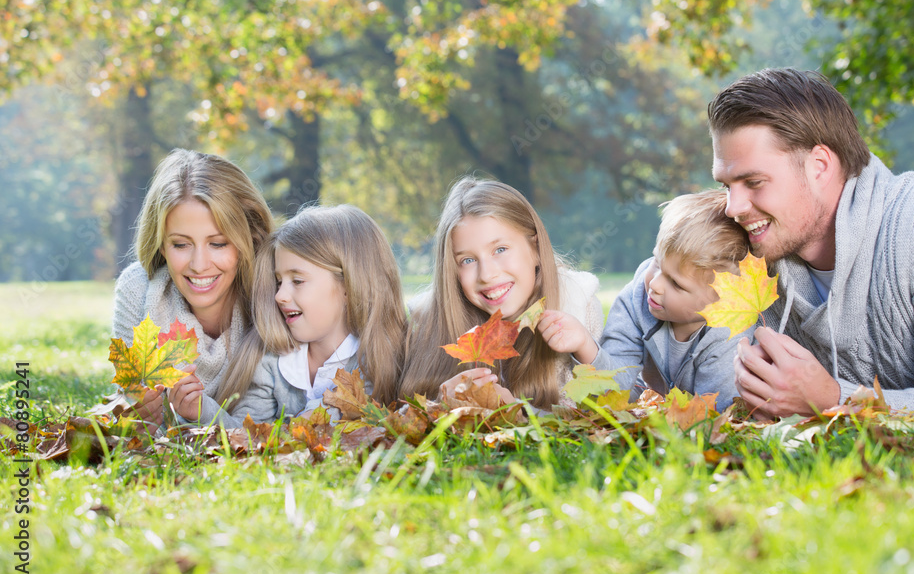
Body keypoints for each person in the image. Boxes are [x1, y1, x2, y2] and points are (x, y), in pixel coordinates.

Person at [709, 67, 914, 418]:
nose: (734, 208)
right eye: (726, 186)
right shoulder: (759, 256)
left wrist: (833, 401)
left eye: (753, 182)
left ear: (819, 165)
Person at [169, 205, 408, 427]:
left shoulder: (376, 360)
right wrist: (204, 411)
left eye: (298, 281)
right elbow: (247, 438)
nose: (280, 295)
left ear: (349, 284)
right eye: (279, 281)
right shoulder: (272, 360)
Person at [398, 177, 605, 410]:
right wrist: (438, 406)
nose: (487, 275)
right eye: (467, 260)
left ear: (535, 249)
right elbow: (397, 418)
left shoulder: (577, 304)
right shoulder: (425, 322)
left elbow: (603, 411)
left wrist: (517, 411)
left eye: (500, 249)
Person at [111, 149, 273, 428]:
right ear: (161, 243)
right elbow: (125, 410)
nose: (199, 265)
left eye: (218, 243)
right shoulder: (137, 290)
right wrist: (139, 419)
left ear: (250, 236)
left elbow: (267, 432)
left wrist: (201, 413)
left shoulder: (274, 298)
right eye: (181, 244)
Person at [586, 189, 751, 409]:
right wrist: (585, 348)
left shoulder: (729, 335)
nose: (655, 284)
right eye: (656, 262)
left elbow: (714, 415)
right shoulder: (638, 298)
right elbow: (615, 383)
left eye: (676, 283)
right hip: (658, 404)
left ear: (721, 301)